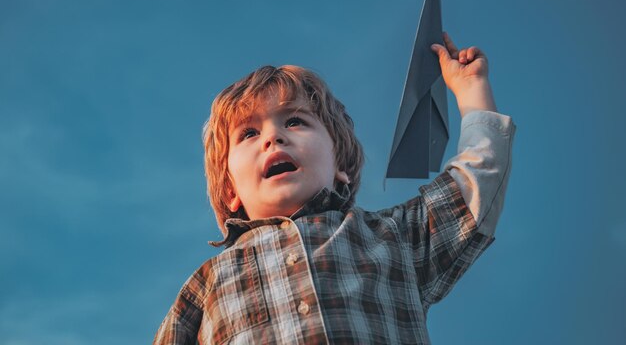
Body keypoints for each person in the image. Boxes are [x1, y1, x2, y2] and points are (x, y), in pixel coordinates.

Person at [153, 33, 516, 344]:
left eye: (295, 121)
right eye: (249, 133)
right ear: (230, 191)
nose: (273, 137)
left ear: (340, 166)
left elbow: (473, 188)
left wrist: (472, 90)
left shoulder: (392, 238)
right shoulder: (206, 284)